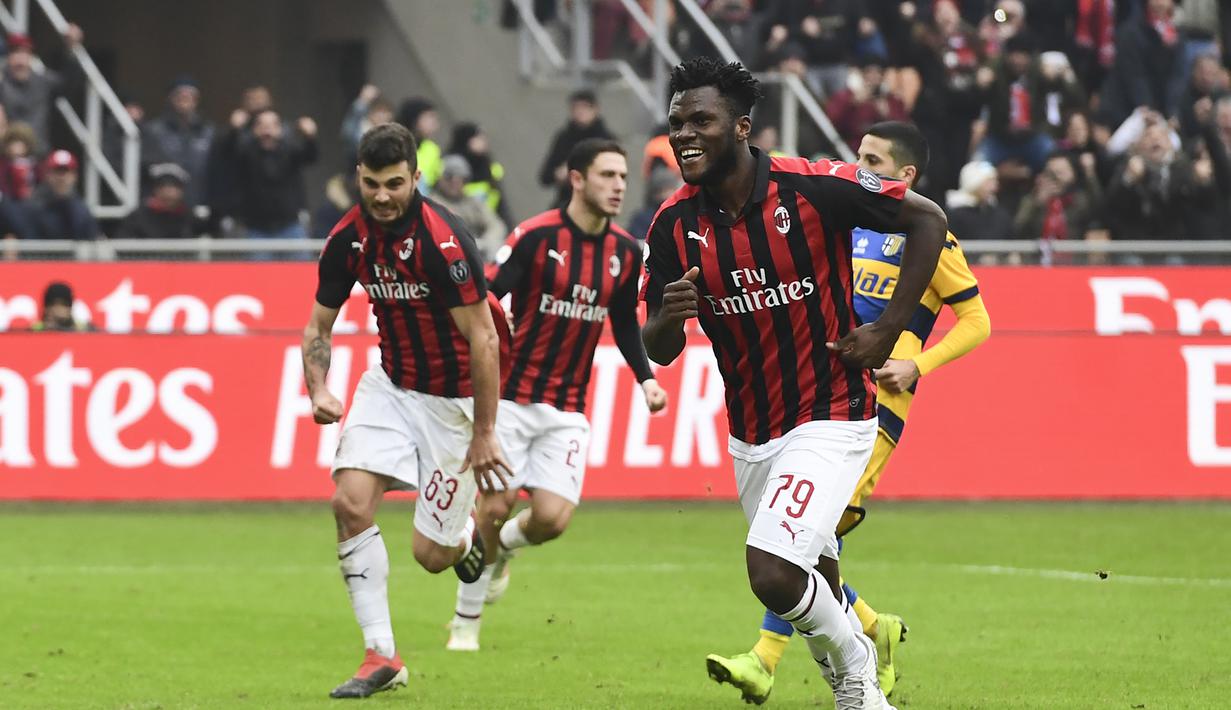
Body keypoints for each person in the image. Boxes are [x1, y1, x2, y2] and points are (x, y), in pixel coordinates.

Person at [640, 57, 946, 710]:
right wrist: (669, 317)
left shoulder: (813, 187)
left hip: (832, 413)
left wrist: (890, 328)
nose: (685, 134)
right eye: (676, 123)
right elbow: (657, 348)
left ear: (742, 127)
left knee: (771, 571)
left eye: (702, 120)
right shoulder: (672, 224)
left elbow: (926, 221)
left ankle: (856, 662)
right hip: (752, 432)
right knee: (812, 572)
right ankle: (854, 691)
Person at [705, 122, 991, 704]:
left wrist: (918, 365)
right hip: (820, 394)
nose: (857, 162)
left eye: (872, 158)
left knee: (800, 540)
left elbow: (978, 321)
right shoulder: (847, 221)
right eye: (857, 153)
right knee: (804, 539)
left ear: (905, 175)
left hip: (877, 404)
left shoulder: (930, 238)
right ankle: (868, 626)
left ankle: (768, 658)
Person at [304, 123, 513, 699]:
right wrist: (318, 387)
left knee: (432, 555)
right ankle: (382, 655)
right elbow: (318, 325)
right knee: (348, 504)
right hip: (391, 387)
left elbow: (485, 338)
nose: (382, 196)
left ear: (415, 178)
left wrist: (486, 432)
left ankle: (466, 539)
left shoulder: (443, 240)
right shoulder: (348, 237)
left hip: (454, 405)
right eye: (371, 184)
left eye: (394, 183)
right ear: (359, 179)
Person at [445, 138, 668, 651]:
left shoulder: (625, 253)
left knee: (552, 519)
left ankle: (501, 552)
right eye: (607, 175)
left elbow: (622, 322)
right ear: (576, 179)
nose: (618, 186)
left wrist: (647, 378)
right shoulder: (535, 237)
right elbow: (488, 301)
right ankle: (465, 623)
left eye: (622, 177)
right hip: (511, 401)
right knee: (495, 505)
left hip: (568, 406)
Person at [224, 108, 318, 241]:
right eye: (262, 126)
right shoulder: (247, 152)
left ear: (280, 129)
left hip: (290, 224)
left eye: (272, 126)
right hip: (257, 227)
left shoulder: (290, 150)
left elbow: (310, 157)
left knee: (300, 261)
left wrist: (310, 137)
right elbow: (228, 154)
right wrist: (234, 131)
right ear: (255, 129)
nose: (267, 131)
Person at [0, 26, 84, 150]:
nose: (20, 60)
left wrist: (71, 49)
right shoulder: (2, 82)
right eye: (15, 52)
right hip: (7, 156)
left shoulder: (43, 81)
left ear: (31, 56)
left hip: (39, 156)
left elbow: (68, 84)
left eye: (24, 53)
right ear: (8, 57)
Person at [142, 75, 214, 210]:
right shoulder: (154, 130)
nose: (185, 99)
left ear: (196, 100)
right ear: (170, 98)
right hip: (164, 206)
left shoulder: (208, 132)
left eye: (190, 96)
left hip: (200, 205)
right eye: (180, 95)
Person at [538, 90, 615, 208]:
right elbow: (545, 176)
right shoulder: (564, 138)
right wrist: (557, 174)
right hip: (566, 202)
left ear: (595, 109)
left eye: (585, 107)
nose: (580, 112)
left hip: (595, 204)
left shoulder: (606, 140)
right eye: (576, 108)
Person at [431, 154, 506, 260]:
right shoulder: (431, 203)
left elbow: (496, 225)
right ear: (440, 178)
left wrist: (486, 242)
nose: (454, 182)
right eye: (449, 176)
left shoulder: (473, 202)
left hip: (478, 252)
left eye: (460, 178)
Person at [28, 150, 99, 241]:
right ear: (47, 175)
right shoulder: (34, 208)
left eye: (66, 171)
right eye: (57, 171)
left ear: (74, 176)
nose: (61, 178)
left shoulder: (82, 211)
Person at [115, 163, 195, 240]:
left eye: (174, 186)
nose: (169, 192)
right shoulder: (136, 218)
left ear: (181, 191)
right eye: (163, 186)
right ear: (155, 190)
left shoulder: (190, 218)